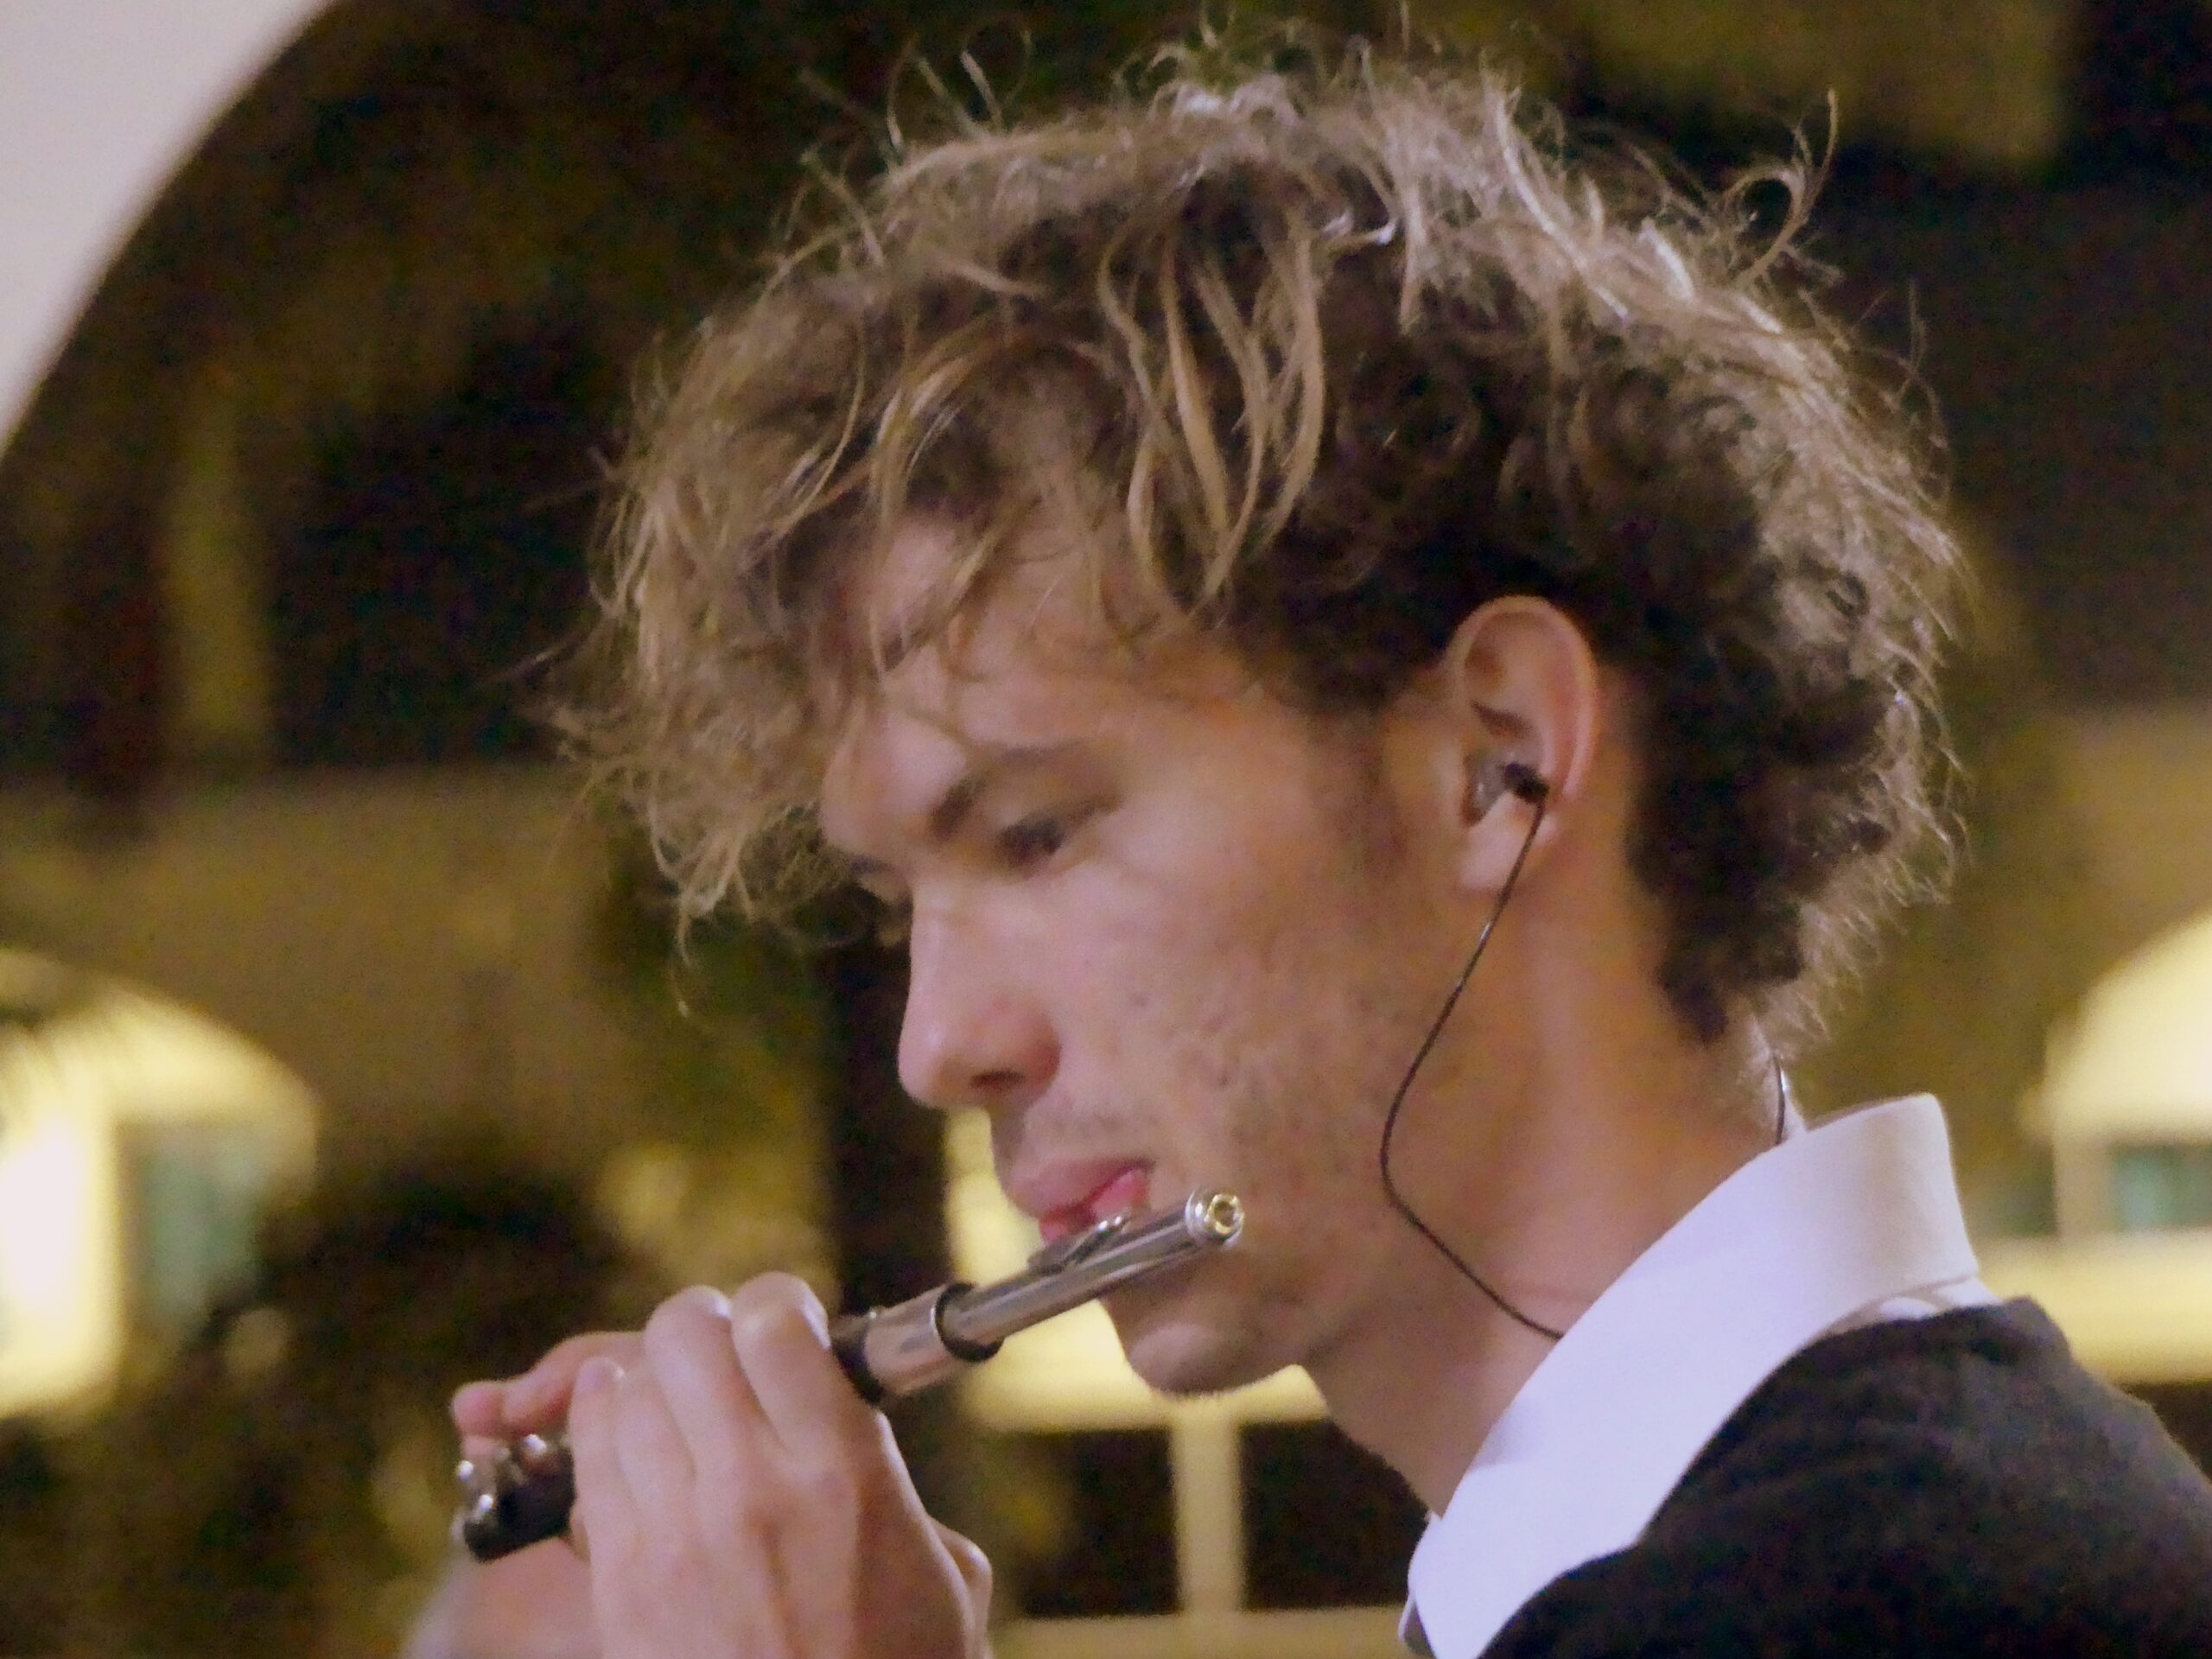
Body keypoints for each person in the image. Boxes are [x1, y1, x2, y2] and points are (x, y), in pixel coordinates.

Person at [452, 38, 2212, 1658]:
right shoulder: (1747, 1556)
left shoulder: (1877, 1607)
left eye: (1038, 833)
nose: (939, 1046)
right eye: (901, 900)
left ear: (1498, 763)